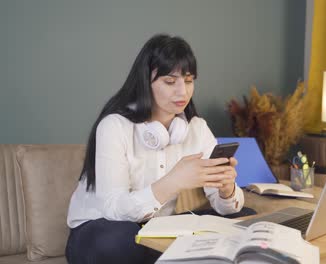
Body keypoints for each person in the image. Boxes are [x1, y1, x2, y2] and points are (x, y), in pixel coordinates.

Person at [65, 34, 245, 264]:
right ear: (145, 81)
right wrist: (174, 181)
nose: (183, 92)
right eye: (170, 82)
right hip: (99, 231)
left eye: (189, 81)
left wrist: (226, 190)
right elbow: (112, 209)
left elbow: (225, 206)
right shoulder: (114, 126)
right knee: (120, 240)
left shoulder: (196, 128)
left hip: (155, 230)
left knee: (241, 221)